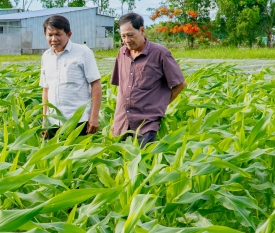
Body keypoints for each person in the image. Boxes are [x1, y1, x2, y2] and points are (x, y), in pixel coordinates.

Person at [111, 12, 186, 148]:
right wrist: (116, 120)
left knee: (145, 162)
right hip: (122, 123)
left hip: (146, 124)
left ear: (142, 30)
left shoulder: (160, 53)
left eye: (130, 35)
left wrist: (160, 106)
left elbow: (180, 84)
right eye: (123, 36)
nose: (126, 40)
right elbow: (121, 88)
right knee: (122, 164)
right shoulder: (121, 53)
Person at [40, 15, 102, 139]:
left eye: (58, 34)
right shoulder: (46, 56)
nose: (53, 39)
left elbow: (96, 84)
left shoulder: (83, 52)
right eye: (50, 35)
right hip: (53, 122)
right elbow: (46, 90)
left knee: (77, 157)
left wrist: (94, 117)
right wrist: (44, 120)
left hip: (78, 121)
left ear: (69, 34)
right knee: (55, 157)